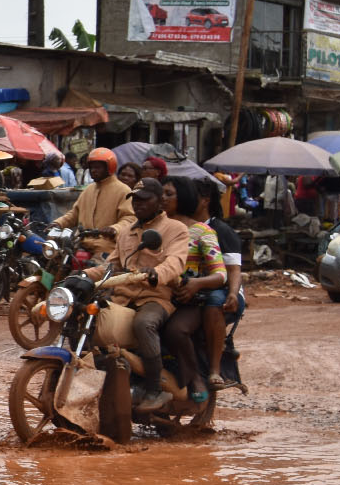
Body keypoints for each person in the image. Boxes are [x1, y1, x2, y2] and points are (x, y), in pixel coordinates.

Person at [86, 178, 189, 412]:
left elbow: (175, 262)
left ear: (160, 200)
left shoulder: (175, 229)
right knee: (89, 317)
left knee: (144, 323)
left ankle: (154, 390)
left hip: (155, 298)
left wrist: (156, 273)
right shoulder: (126, 233)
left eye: (145, 200)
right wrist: (82, 276)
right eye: (136, 200)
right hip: (122, 298)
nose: (139, 205)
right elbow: (110, 266)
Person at [160, 176, 226, 404]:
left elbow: (220, 274)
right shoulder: (152, 227)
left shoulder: (201, 231)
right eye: (161, 193)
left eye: (169, 194)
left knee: (175, 331)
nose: (163, 198)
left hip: (186, 300)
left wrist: (197, 283)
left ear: (184, 198)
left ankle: (194, 377)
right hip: (153, 295)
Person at [195, 177, 246, 391]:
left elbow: (234, 270)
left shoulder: (221, 230)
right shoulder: (178, 226)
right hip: (191, 288)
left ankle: (214, 369)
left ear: (205, 200)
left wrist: (233, 294)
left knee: (215, 301)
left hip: (221, 289)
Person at [53, 147, 135, 231]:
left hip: (108, 242)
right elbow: (75, 214)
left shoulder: (123, 190)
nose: (93, 170)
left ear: (109, 168)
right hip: (82, 240)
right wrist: (58, 223)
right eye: (91, 167)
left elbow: (129, 218)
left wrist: (114, 229)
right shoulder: (89, 190)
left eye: (97, 167)